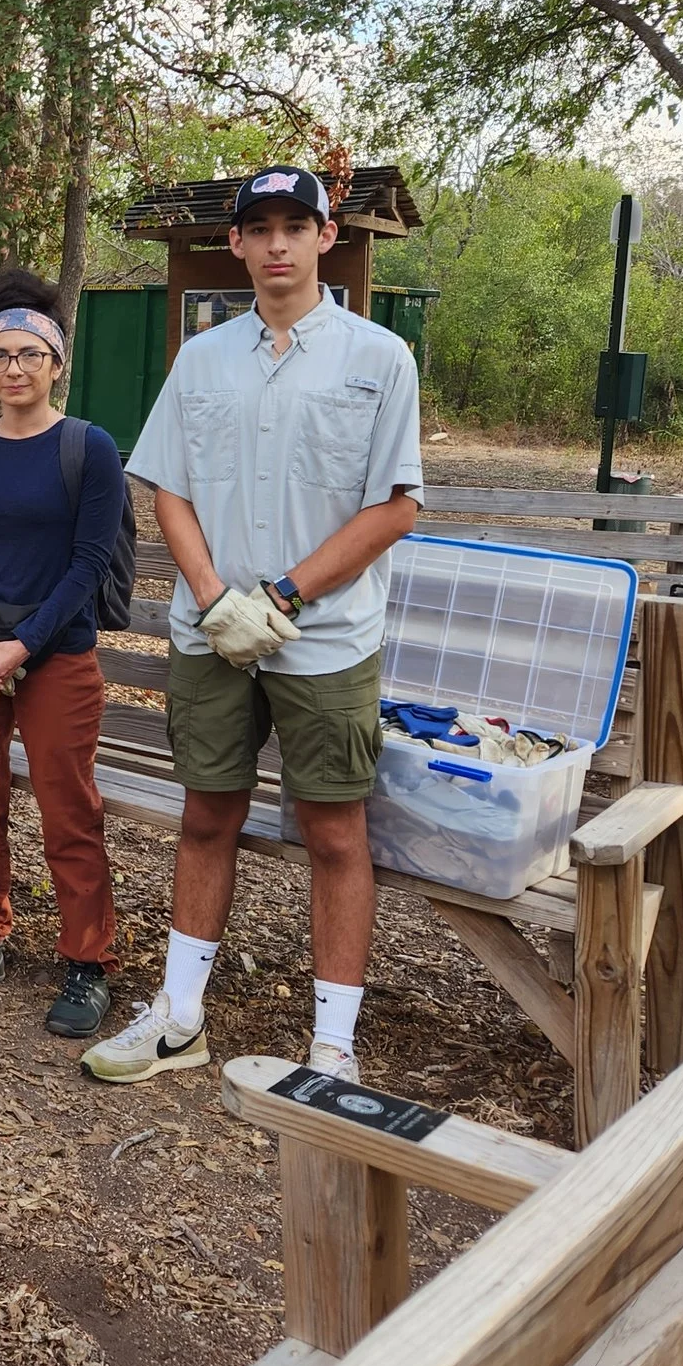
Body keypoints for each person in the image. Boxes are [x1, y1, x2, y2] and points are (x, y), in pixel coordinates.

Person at [83, 165, 423, 1086]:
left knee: (334, 831)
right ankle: (180, 1016)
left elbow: (393, 505)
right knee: (206, 816)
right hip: (211, 635)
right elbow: (168, 486)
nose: (277, 242)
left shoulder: (378, 358)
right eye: (259, 227)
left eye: (295, 225)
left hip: (325, 637)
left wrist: (280, 595)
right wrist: (209, 593)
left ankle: (333, 1047)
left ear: (326, 237)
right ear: (234, 243)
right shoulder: (203, 359)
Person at [0, 271, 125, 1034]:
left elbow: (88, 564)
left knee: (70, 812)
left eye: (29, 354)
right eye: (0, 354)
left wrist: (24, 646)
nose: (14, 368)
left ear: (56, 362)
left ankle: (87, 959)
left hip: (56, 657)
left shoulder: (88, 449)